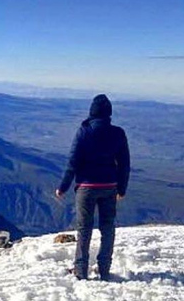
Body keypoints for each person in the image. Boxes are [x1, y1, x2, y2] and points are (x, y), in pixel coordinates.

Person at [55, 94, 130, 280]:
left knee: (84, 229)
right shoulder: (118, 133)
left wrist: (63, 187)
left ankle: (81, 271)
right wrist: (122, 188)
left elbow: (73, 162)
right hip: (110, 187)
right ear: (109, 113)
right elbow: (124, 164)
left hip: (86, 187)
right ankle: (104, 269)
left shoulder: (84, 132)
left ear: (92, 112)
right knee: (107, 227)